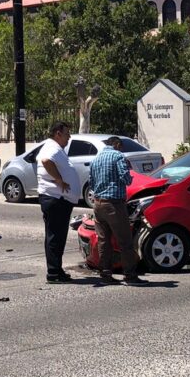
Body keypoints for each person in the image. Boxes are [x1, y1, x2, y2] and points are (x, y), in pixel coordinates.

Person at [89, 136, 148, 285]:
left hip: (98, 204)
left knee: (104, 240)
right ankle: (130, 275)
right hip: (114, 204)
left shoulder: (96, 159)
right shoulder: (118, 156)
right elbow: (126, 179)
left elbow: (91, 182)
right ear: (117, 144)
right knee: (125, 241)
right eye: (121, 147)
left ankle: (105, 274)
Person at [37, 121, 81, 284]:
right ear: (58, 133)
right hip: (55, 199)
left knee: (58, 236)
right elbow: (46, 161)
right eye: (67, 133)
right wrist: (59, 180)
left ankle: (57, 270)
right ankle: (53, 273)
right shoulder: (51, 147)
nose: (69, 137)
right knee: (55, 236)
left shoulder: (55, 147)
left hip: (59, 199)